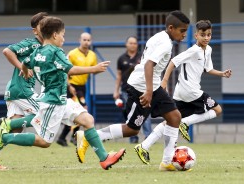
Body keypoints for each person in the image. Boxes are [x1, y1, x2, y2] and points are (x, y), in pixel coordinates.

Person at [0, 16, 126, 170]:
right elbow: (71, 70)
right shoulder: (56, 51)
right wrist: (94, 69)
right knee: (44, 142)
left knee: (88, 120)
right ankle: (5, 136)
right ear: (55, 35)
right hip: (53, 102)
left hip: (61, 100)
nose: (64, 38)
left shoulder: (37, 51)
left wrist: (24, 71)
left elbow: (25, 63)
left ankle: (104, 158)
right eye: (63, 34)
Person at [76, 10, 190, 171]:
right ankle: (90, 136)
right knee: (131, 129)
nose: (184, 34)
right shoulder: (165, 43)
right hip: (141, 87)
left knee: (174, 117)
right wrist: (149, 91)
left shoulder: (160, 36)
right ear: (171, 28)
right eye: (182, 31)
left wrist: (154, 88)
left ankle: (167, 161)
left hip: (152, 86)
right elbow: (149, 64)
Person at [134, 20, 232, 165]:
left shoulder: (208, 50)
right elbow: (173, 61)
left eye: (209, 35)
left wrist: (222, 73)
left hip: (181, 93)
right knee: (217, 110)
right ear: (196, 36)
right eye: (203, 35)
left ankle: (144, 146)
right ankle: (185, 123)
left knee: (170, 121)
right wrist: (165, 81)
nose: (206, 38)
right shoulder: (193, 50)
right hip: (191, 91)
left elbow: (208, 68)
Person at [0, 12, 48, 170]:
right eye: (42, 25)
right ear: (35, 30)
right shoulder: (33, 44)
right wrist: (21, 68)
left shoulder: (44, 48)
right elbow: (7, 51)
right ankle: (7, 123)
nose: (46, 27)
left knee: (16, 130)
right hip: (21, 89)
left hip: (15, 90)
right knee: (44, 114)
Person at [57, 32, 97, 147]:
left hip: (82, 86)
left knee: (78, 112)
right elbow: (65, 71)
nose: (86, 42)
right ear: (79, 40)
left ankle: (64, 138)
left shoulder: (92, 55)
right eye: (84, 39)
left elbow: (93, 69)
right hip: (72, 86)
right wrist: (69, 86)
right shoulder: (72, 54)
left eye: (88, 40)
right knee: (80, 110)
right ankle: (73, 138)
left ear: (91, 41)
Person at [113, 36, 152, 143]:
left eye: (134, 43)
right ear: (126, 44)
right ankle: (133, 137)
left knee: (145, 113)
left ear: (137, 45)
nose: (132, 45)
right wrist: (116, 90)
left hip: (141, 89)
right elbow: (119, 76)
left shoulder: (142, 57)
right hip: (126, 90)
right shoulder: (121, 59)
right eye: (130, 43)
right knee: (130, 113)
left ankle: (148, 137)